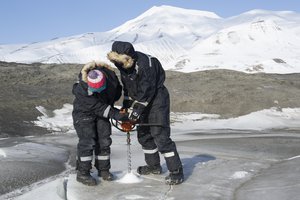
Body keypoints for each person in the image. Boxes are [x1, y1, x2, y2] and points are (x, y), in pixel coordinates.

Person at [107, 41, 184, 185]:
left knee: (160, 136)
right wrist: (126, 106)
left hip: (157, 101)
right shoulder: (122, 65)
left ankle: (176, 171)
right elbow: (128, 90)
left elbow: (146, 92)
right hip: (140, 101)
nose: (118, 64)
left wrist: (135, 112)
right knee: (144, 136)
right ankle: (153, 166)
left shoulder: (145, 66)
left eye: (120, 61)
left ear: (128, 58)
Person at [72, 61, 129, 186]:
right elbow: (98, 107)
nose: (96, 92)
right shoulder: (82, 89)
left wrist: (120, 111)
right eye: (94, 90)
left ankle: (103, 170)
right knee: (87, 142)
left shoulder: (112, 80)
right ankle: (83, 173)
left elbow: (116, 93)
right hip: (84, 113)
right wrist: (116, 114)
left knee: (104, 141)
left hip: (102, 111)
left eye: (99, 90)